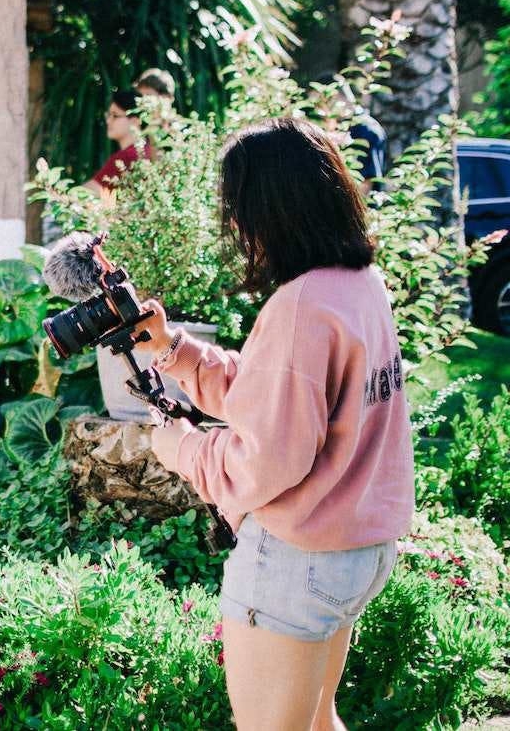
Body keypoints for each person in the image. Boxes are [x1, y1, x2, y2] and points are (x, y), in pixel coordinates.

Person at [136, 118, 411, 731]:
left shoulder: (300, 307)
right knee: (317, 723)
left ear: (272, 209)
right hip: (357, 551)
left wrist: (184, 449)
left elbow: (269, 456)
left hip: (297, 559)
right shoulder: (361, 287)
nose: (235, 225)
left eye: (238, 207)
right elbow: (286, 397)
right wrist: (174, 350)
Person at [87, 89, 153, 199]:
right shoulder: (149, 150)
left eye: (115, 115)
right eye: (108, 115)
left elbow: (86, 192)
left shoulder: (128, 156)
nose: (108, 121)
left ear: (135, 121)